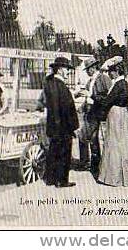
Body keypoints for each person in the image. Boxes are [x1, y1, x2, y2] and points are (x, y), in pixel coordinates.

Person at [98, 56, 128, 187]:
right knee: (125, 143)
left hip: (116, 115)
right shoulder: (125, 84)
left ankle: (114, 177)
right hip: (123, 114)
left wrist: (96, 98)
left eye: (111, 71)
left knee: (114, 143)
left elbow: (108, 101)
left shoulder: (118, 85)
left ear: (117, 71)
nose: (109, 73)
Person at [37, 57, 79, 188]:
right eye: (67, 69)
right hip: (62, 126)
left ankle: (50, 178)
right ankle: (62, 181)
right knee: (64, 154)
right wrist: (72, 126)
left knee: (53, 152)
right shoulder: (60, 86)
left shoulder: (50, 83)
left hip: (55, 125)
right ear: (60, 69)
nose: (68, 72)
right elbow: (64, 108)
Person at [75, 56, 112, 175]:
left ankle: (85, 162)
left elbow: (108, 96)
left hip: (97, 112)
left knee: (82, 136)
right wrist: (82, 106)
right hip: (90, 111)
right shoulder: (90, 81)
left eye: (88, 69)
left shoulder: (103, 78)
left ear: (93, 67)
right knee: (93, 139)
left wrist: (91, 96)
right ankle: (95, 165)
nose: (87, 72)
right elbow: (88, 97)